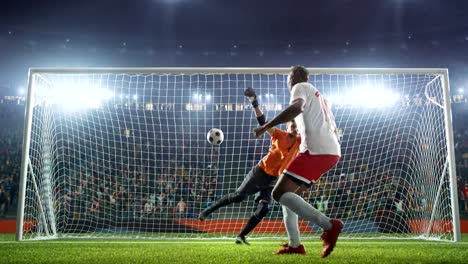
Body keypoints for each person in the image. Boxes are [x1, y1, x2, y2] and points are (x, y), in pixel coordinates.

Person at [254, 66, 343, 258]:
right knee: (288, 199)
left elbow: (296, 108)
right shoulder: (320, 97)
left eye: (288, 77)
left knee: (278, 193)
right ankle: (295, 245)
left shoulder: (300, 86)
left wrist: (268, 125)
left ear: (293, 77)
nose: (288, 82)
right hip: (329, 150)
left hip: (316, 151)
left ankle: (330, 225)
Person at [198, 87, 300, 245]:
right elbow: (263, 122)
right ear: (287, 127)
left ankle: (241, 236)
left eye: (296, 126)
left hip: (274, 179)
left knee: (265, 208)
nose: (295, 128)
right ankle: (208, 210)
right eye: (292, 126)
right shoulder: (279, 135)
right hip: (260, 172)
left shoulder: (300, 141)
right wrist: (254, 102)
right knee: (239, 197)